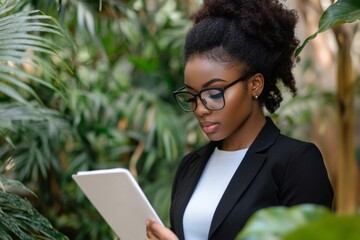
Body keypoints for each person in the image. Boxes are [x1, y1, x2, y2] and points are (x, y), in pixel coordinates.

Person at [146, 0, 334, 239]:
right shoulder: (190, 166)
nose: (200, 109)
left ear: (254, 85)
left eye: (214, 93)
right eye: (191, 96)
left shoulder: (296, 164)